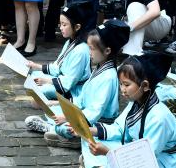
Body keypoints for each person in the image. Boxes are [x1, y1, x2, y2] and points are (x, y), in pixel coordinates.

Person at [83, 52, 176, 168]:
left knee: (106, 151)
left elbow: (146, 158)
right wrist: (91, 130)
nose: (122, 90)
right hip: (135, 150)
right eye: (121, 84)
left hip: (160, 163)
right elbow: (120, 128)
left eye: (126, 85)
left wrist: (107, 152)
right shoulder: (136, 102)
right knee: (91, 139)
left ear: (145, 85)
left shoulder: (159, 118)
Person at [39, 19, 129, 148]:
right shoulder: (100, 68)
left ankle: (69, 135)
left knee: (63, 127)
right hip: (85, 114)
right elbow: (83, 99)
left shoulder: (108, 77)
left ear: (107, 51)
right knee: (54, 110)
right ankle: (57, 129)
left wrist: (67, 118)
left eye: (91, 49)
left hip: (97, 122)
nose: (89, 52)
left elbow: (94, 112)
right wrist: (58, 104)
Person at [22, 0, 93, 132]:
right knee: (35, 75)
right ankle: (48, 107)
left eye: (64, 25)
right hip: (62, 81)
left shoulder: (81, 50)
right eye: (60, 24)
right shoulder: (70, 42)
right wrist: (36, 66)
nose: (61, 28)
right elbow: (57, 66)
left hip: (74, 91)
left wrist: (46, 81)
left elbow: (68, 83)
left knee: (41, 95)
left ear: (77, 27)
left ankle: (51, 125)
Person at [96, 0, 172, 56]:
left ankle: (132, 54)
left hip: (162, 23)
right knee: (110, 24)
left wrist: (129, 27)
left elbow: (155, 12)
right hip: (144, 28)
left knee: (134, 7)